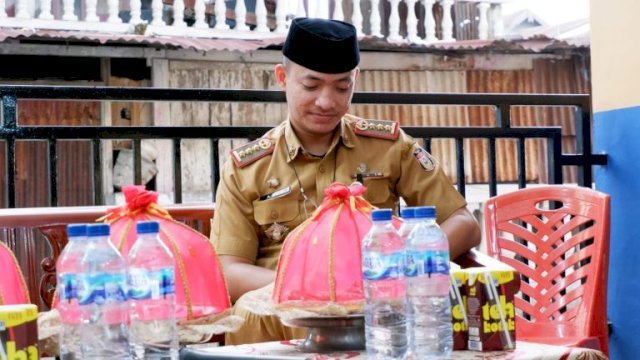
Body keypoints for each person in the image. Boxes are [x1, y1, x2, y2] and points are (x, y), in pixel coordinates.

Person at [210, 17, 481, 345]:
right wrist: (309, 288)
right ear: (283, 78)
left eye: (342, 87)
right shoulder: (247, 168)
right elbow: (227, 269)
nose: (327, 102)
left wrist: (400, 267)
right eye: (311, 86)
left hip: (375, 310)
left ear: (355, 80)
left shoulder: (389, 147)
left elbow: (463, 223)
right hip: (281, 315)